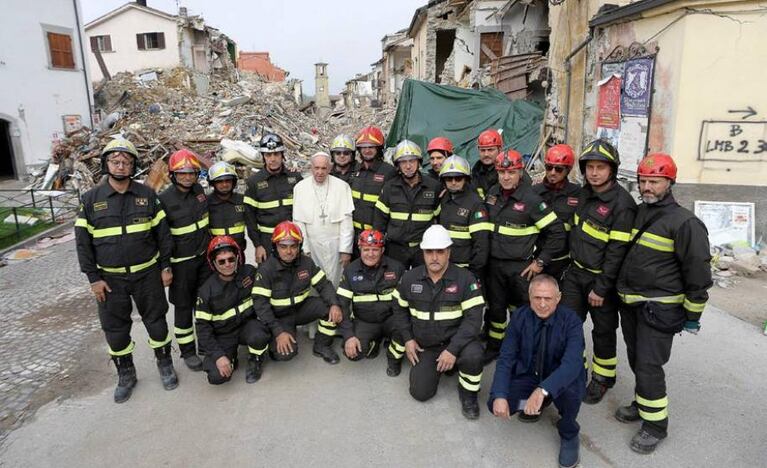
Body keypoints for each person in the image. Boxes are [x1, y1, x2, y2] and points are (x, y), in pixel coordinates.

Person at [615, 153, 712, 454]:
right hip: (634, 304)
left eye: (654, 181)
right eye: (643, 181)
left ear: (670, 182)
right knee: (637, 360)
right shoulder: (642, 212)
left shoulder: (686, 223)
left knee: (648, 365)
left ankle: (655, 426)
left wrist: (693, 315)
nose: (647, 187)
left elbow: (698, 274)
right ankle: (643, 403)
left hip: (660, 309)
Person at [75, 138, 178, 403]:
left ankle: (165, 364)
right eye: (115, 161)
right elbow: (83, 244)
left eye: (126, 162)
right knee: (115, 329)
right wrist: (93, 279)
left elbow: (163, 235)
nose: (121, 166)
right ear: (106, 164)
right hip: (110, 280)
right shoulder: (90, 201)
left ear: (133, 165)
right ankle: (126, 374)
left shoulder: (147, 195)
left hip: (147, 274)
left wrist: (165, 266)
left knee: (156, 321)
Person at [560, 139, 636, 404]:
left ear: (612, 170)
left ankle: (604, 378)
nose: (594, 172)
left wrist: (601, 287)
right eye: (590, 167)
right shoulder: (584, 194)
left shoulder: (623, 205)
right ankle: (574, 370)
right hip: (576, 273)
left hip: (600, 280)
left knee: (602, 332)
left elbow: (617, 252)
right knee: (568, 324)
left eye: (600, 167)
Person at [488, 274, 586, 468]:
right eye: (537, 298)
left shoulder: (572, 321)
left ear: (558, 298)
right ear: (529, 296)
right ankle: (534, 404)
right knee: (496, 403)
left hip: (560, 377)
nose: (542, 304)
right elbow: (506, 358)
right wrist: (499, 394)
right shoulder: (519, 317)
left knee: (572, 395)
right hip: (530, 374)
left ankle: (568, 433)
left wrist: (543, 389)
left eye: (548, 298)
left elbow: (572, 364)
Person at [393, 225, 485, 420]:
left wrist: (452, 350)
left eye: (440, 251)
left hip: (457, 344)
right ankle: (443, 368)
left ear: (449, 252)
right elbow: (399, 310)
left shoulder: (465, 279)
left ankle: (468, 394)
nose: (434, 257)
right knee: (420, 393)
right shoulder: (409, 278)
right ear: (423, 253)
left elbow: (474, 320)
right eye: (429, 251)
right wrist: (408, 339)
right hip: (427, 347)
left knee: (474, 355)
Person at [483, 150, 566, 364]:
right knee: (496, 309)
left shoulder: (531, 199)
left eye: (511, 172)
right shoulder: (492, 194)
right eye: (502, 172)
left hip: (521, 268)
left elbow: (556, 232)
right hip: (494, 266)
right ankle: (494, 347)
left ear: (520, 171)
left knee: (522, 312)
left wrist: (540, 262)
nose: (506, 177)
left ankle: (521, 351)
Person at [250, 221, 343, 366]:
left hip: (301, 310)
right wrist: (278, 332)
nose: (289, 251)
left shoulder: (306, 263)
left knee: (331, 309)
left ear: (299, 246)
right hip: (279, 317)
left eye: (293, 246)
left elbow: (324, 285)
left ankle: (322, 346)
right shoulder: (266, 270)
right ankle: (277, 340)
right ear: (275, 246)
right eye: (283, 246)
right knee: (285, 354)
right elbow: (260, 305)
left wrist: (334, 304)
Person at [159, 148, 211, 371]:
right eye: (182, 173)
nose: (188, 177)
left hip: (203, 261)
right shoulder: (164, 200)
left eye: (192, 173)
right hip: (181, 265)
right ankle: (188, 352)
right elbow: (162, 237)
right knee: (182, 308)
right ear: (173, 174)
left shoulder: (199, 191)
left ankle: (205, 345)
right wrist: (166, 267)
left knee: (204, 305)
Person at [195, 236, 267, 385]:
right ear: (213, 263)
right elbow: (203, 329)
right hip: (223, 335)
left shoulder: (249, 273)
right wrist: (219, 356)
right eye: (221, 261)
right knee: (216, 377)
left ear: (237, 258)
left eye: (231, 259)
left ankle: (256, 359)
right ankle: (231, 358)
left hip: (247, 326)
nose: (227, 264)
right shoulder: (206, 291)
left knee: (259, 335)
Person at [337, 230, 406, 376]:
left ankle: (394, 359)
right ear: (359, 249)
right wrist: (349, 335)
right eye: (366, 249)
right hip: (365, 322)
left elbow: (406, 301)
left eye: (375, 250)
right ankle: (374, 341)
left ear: (382, 250)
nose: (370, 254)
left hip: (391, 319)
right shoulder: (350, 271)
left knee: (405, 329)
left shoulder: (397, 268)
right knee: (353, 353)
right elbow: (342, 305)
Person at [373, 140, 441, 269]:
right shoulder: (389, 187)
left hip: (423, 248)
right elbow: (379, 222)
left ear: (419, 162)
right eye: (403, 162)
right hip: (395, 249)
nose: (408, 166)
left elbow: (440, 219)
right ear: (397, 165)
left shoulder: (433, 187)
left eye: (412, 161)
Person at [292, 152, 355, 287]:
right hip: (313, 245)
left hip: (336, 245)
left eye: (324, 168)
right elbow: (299, 222)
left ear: (330, 168)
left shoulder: (342, 187)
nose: (320, 172)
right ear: (311, 168)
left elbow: (346, 222)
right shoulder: (300, 188)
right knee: (315, 282)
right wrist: (305, 249)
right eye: (317, 168)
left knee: (337, 281)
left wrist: (345, 250)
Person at [244, 132, 302, 263]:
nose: (273, 158)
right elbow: (249, 218)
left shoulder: (295, 178)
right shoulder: (254, 182)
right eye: (268, 155)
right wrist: (258, 245)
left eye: (276, 154)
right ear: (263, 157)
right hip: (267, 241)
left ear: (283, 155)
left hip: (292, 239)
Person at [532, 144, 582, 280]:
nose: (552, 172)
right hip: (536, 260)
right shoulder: (534, 192)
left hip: (564, 262)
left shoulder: (577, 194)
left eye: (558, 169)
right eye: (549, 168)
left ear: (568, 170)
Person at [436, 155, 491, 277]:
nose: (454, 182)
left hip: (467, 270)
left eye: (458, 178)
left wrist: (474, 273)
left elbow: (481, 244)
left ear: (466, 179)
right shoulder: (444, 199)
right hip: (444, 267)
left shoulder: (475, 204)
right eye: (449, 179)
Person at [348, 126, 397, 243]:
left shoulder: (389, 172)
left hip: (376, 236)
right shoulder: (355, 170)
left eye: (371, 147)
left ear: (379, 148)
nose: (367, 150)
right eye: (363, 147)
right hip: (354, 235)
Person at [207, 161, 248, 255]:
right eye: (220, 181)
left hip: (238, 252)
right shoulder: (206, 203)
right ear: (212, 183)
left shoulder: (242, 201)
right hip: (214, 253)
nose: (224, 184)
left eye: (227, 180)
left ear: (233, 182)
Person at [471, 129, 503, 199]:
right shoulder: (476, 171)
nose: (486, 154)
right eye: (482, 150)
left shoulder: (510, 170)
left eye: (490, 150)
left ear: (500, 150)